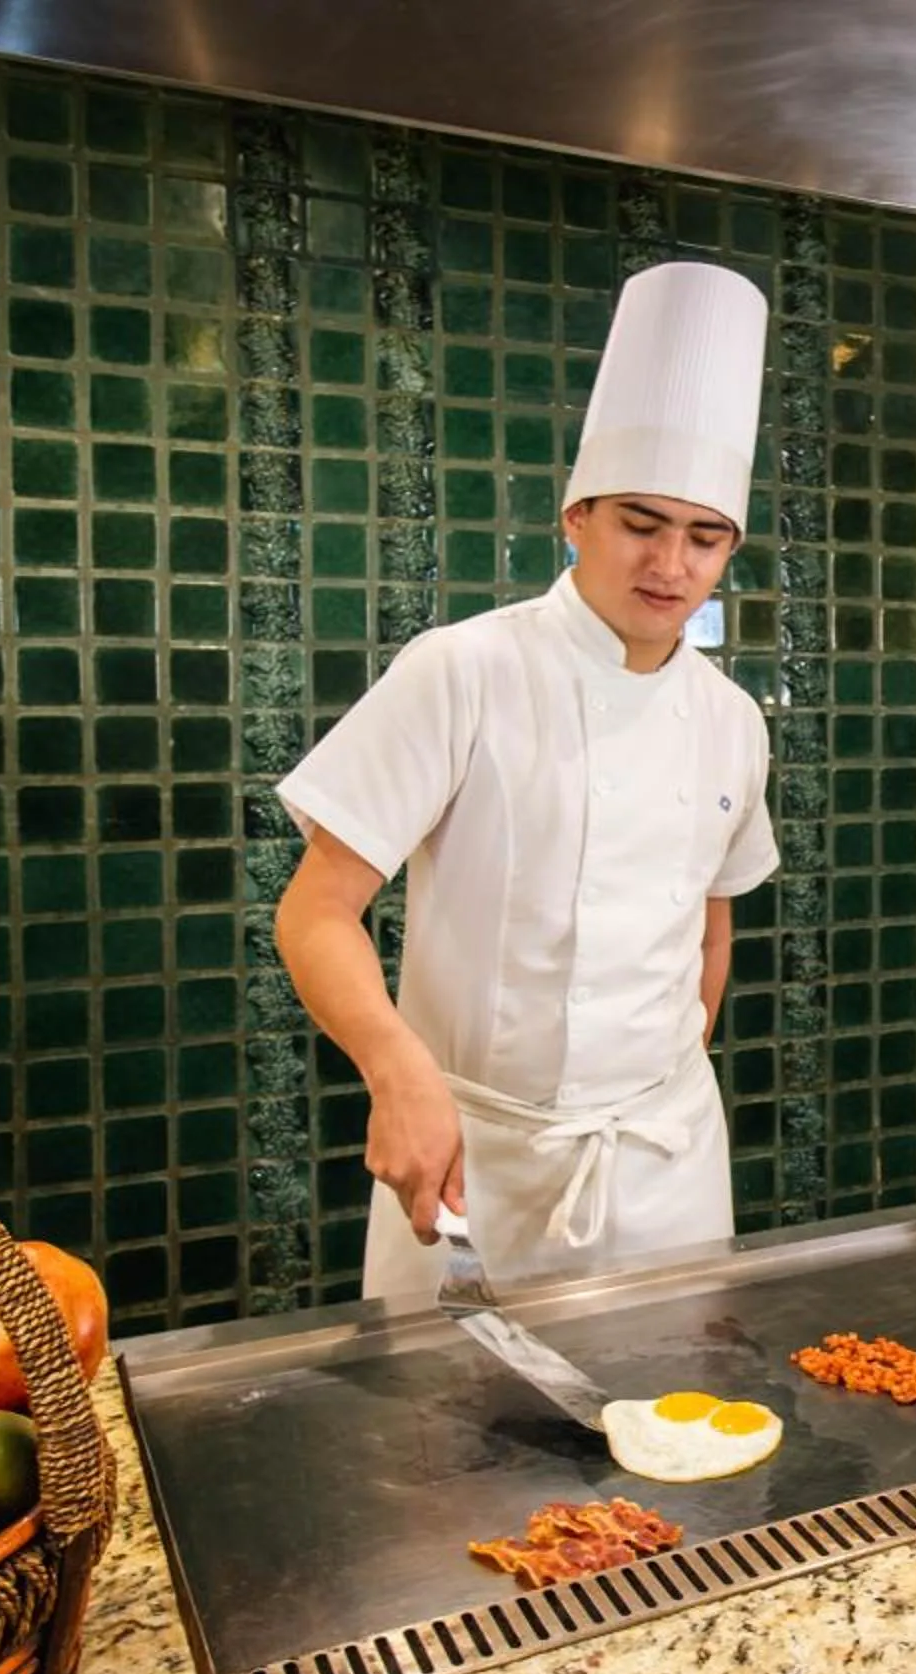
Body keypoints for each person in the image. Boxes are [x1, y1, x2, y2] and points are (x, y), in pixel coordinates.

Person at [273, 261, 779, 1300]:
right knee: (444, 1452)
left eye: (704, 536)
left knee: (682, 1440)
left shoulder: (733, 720)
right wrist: (397, 1071)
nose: (671, 564)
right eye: (642, 522)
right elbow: (315, 911)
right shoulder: (463, 670)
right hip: (474, 1164)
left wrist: (655, 1085)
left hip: (666, 1167)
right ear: (577, 514)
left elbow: (709, 930)